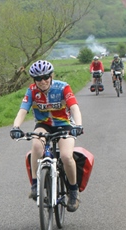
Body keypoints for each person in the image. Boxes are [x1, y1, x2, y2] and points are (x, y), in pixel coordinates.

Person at [10, 60, 83, 212]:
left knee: (66, 156)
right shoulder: (31, 91)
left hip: (64, 125)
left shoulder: (63, 87)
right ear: (34, 80)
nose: (42, 81)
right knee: (36, 145)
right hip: (44, 125)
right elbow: (22, 111)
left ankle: (73, 191)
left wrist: (78, 125)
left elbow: (74, 107)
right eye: (38, 79)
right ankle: (36, 185)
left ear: (51, 76)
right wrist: (16, 127)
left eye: (45, 77)